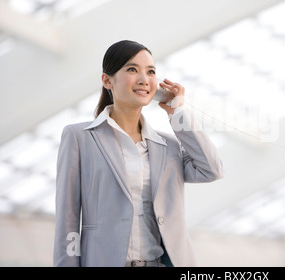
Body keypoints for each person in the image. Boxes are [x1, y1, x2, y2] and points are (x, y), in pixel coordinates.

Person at [53, 40, 224, 267]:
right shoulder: (79, 138)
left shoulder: (168, 146)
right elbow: (68, 220)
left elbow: (211, 169)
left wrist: (178, 112)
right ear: (107, 80)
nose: (144, 79)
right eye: (132, 69)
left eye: (151, 71)